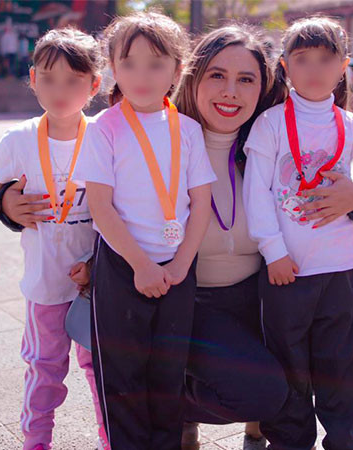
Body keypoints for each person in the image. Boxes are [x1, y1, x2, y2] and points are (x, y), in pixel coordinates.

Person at [0, 23, 353, 450]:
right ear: (190, 74)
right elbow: (82, 192)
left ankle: (268, 400)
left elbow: (318, 207)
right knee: (260, 389)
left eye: (246, 79)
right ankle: (182, 407)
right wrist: (7, 205)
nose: (231, 91)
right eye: (217, 75)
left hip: (257, 295)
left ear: (265, 85)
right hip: (188, 303)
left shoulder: (269, 137)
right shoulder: (166, 132)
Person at [243, 16, 353, 450]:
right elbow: (256, 193)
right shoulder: (271, 124)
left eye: (325, 59)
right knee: (288, 363)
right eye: (302, 59)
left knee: (346, 362)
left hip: (341, 270)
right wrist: (273, 250)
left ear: (344, 67)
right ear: (285, 67)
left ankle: (344, 435)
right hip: (287, 273)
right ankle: (290, 441)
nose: (314, 69)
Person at [71, 11, 216, 448]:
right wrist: (141, 265)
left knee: (168, 374)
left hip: (178, 269)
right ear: (112, 67)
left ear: (178, 68)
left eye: (156, 63)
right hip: (121, 267)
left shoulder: (188, 130)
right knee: (123, 377)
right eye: (128, 62)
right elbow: (101, 207)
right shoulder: (104, 130)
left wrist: (179, 265)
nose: (141, 75)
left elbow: (202, 203)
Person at [0, 28, 108, 450]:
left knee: (100, 369)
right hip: (45, 286)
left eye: (72, 80)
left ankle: (111, 438)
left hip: (96, 286)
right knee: (44, 369)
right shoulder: (19, 139)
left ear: (94, 84)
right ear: (32, 78)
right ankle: (35, 441)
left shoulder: (105, 134)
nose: (59, 90)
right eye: (48, 78)